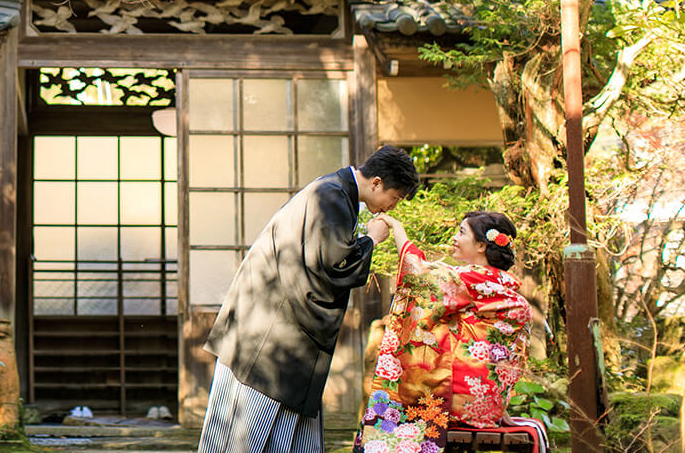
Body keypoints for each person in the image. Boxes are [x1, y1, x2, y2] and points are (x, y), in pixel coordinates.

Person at [198, 145, 421, 453]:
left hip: (265, 323)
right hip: (273, 334)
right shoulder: (332, 197)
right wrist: (370, 239)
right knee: (253, 435)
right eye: (394, 198)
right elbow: (333, 268)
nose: (391, 207)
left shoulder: (331, 191)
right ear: (377, 183)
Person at [354, 211, 534, 453]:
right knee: (438, 324)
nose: (454, 238)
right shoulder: (501, 284)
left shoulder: (473, 279)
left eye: (461, 232)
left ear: (481, 245)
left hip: (461, 402)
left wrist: (396, 227)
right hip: (485, 401)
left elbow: (420, 275)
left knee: (425, 333)